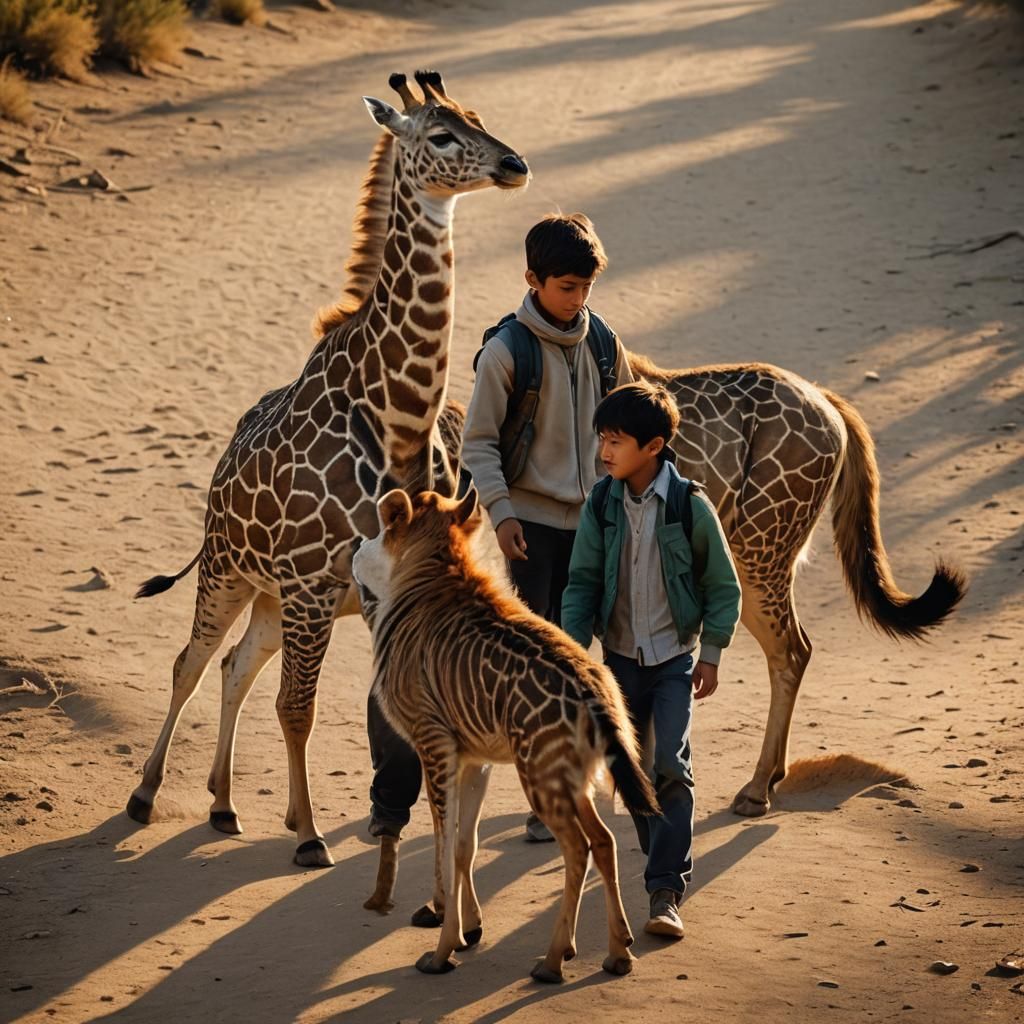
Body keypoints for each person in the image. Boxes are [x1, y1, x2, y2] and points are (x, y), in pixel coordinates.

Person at [459, 212, 634, 842]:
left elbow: (630, 426)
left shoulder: (604, 343)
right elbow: (478, 444)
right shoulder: (506, 351)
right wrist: (503, 514)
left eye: (586, 287)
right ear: (532, 279)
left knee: (585, 656)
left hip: (595, 526)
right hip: (529, 526)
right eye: (566, 287)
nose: (578, 299)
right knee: (543, 665)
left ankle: (579, 783)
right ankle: (544, 800)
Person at [561, 381, 742, 939]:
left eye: (616, 441)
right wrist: (571, 657)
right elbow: (581, 583)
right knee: (631, 771)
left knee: (671, 766)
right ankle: (658, 858)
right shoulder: (600, 504)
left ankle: (665, 890)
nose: (604, 451)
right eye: (602, 439)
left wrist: (711, 654)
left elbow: (723, 586)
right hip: (617, 665)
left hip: (674, 662)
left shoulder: (690, 505)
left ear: (654, 446)